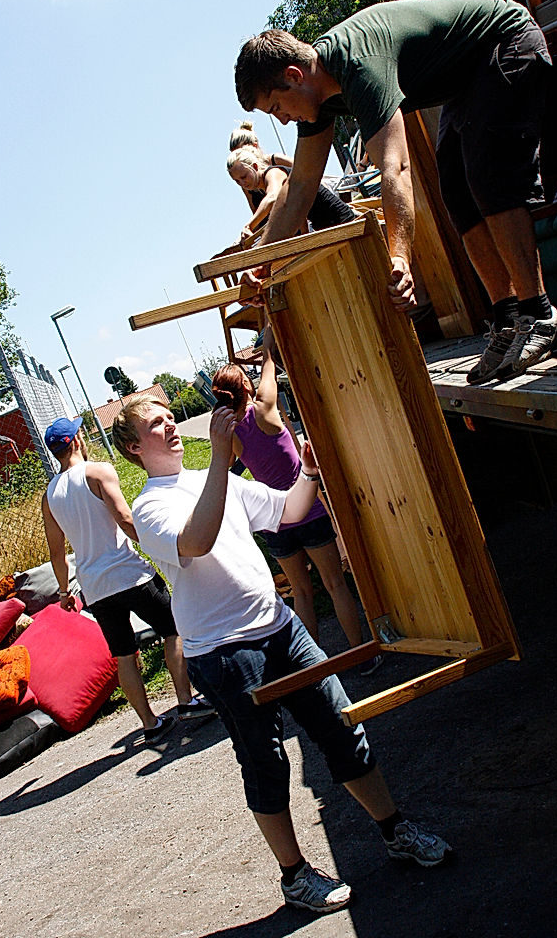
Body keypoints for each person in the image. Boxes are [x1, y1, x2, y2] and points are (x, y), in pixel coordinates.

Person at [111, 394, 451, 915]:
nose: (171, 426)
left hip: (281, 628)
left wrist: (309, 474)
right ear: (134, 447)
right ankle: (294, 877)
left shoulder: (213, 478)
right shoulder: (151, 505)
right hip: (224, 655)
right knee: (265, 764)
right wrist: (222, 459)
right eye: (156, 425)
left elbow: (288, 510)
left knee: (343, 725)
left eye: (171, 417)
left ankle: (395, 829)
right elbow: (197, 542)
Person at [234, 0, 557, 384]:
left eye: (276, 106)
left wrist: (399, 258)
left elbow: (395, 166)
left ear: (295, 75)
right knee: (458, 193)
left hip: (503, 40)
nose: (281, 119)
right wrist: (261, 265)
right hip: (466, 78)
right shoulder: (319, 101)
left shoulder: (357, 66)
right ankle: (509, 318)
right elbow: (299, 190)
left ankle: (539, 313)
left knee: (488, 175)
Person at [211, 322, 382, 676]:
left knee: (302, 593)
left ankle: (313, 668)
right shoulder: (264, 409)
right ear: (245, 384)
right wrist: (268, 337)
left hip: (274, 522)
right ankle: (362, 656)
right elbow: (270, 364)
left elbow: (227, 468)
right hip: (308, 511)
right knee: (335, 584)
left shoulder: (230, 434)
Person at [41, 416, 214, 745]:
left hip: (93, 587)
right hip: (128, 574)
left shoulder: (49, 496)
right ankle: (185, 701)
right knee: (174, 628)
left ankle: (150, 724)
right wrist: (161, 547)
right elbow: (124, 518)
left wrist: (65, 591)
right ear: (77, 440)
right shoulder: (97, 472)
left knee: (124, 655)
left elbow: (56, 551)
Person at [227, 144, 357, 247]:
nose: (242, 183)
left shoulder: (274, 173)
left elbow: (272, 197)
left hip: (341, 220)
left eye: (244, 177)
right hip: (326, 228)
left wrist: (249, 226)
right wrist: (305, 238)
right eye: (237, 181)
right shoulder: (262, 186)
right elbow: (298, 211)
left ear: (255, 166)